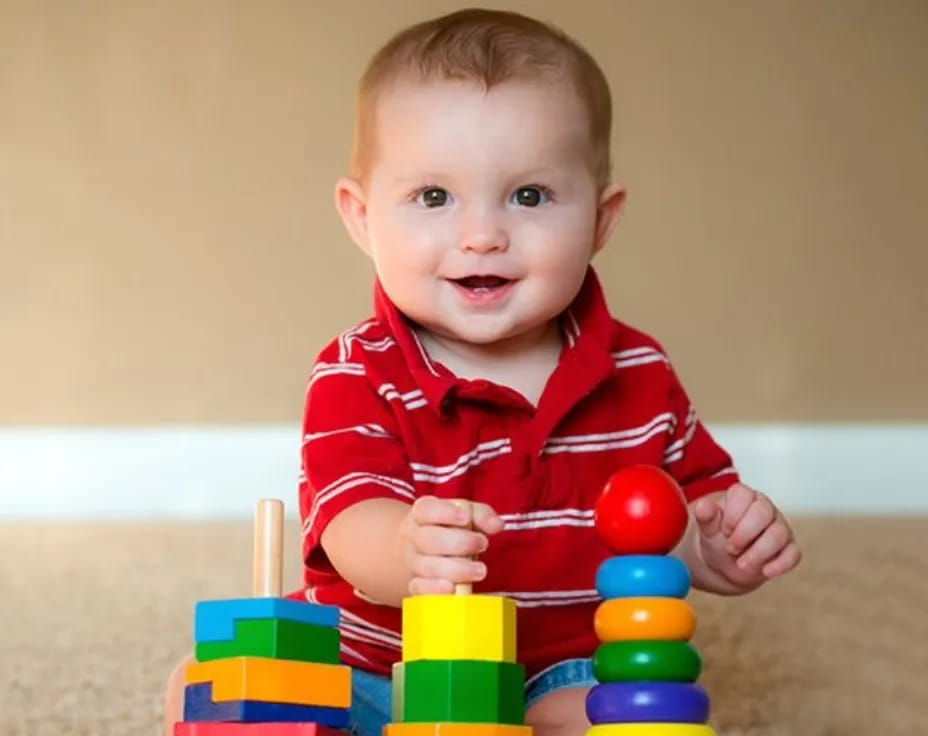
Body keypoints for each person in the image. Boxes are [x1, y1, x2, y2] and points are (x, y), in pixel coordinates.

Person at [164, 8, 801, 736]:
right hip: (380, 663)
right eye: (433, 197)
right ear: (362, 217)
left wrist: (717, 547)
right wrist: (403, 548)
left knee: (615, 714)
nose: (481, 236)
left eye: (529, 196)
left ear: (600, 219)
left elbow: (676, 519)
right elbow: (349, 522)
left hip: (559, 668)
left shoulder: (640, 371)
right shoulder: (356, 371)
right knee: (214, 690)